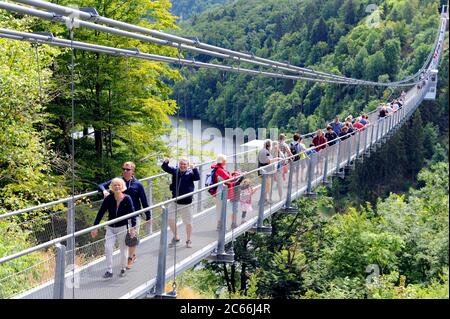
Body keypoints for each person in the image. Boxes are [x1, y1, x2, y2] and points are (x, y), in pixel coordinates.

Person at [98, 161, 149, 269]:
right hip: (120, 217)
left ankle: (130, 258)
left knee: (132, 237)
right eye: (124, 169)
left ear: (133, 171)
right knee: (125, 241)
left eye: (128, 169)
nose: (125, 171)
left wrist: (148, 216)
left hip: (134, 215)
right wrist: (104, 191)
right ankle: (131, 255)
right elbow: (101, 185)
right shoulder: (117, 182)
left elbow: (144, 201)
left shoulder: (138, 184)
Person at [91, 178, 136, 279]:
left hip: (123, 227)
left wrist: (133, 227)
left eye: (119, 185)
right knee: (108, 247)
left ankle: (123, 268)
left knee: (123, 249)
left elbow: (133, 213)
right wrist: (95, 227)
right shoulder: (109, 199)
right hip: (111, 227)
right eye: (115, 185)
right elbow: (101, 213)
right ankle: (109, 270)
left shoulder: (127, 198)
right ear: (111, 187)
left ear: (122, 187)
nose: (117, 187)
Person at [161, 158, 200, 248]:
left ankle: (188, 240)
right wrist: (166, 161)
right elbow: (165, 168)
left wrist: (194, 168)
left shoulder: (190, 173)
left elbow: (197, 178)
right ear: (179, 164)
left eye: (185, 164)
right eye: (181, 164)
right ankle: (176, 237)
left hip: (187, 203)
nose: (182, 166)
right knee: (169, 218)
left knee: (188, 222)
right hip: (175, 201)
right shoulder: (175, 171)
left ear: (187, 165)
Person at [210, 154, 236, 230]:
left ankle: (219, 225)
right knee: (222, 208)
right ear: (223, 161)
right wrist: (237, 175)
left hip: (220, 190)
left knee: (220, 208)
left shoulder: (217, 168)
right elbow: (229, 179)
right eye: (225, 161)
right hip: (222, 191)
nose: (226, 162)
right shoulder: (220, 170)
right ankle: (221, 226)